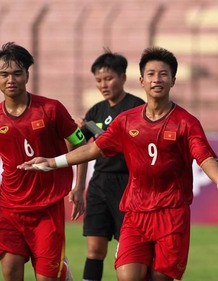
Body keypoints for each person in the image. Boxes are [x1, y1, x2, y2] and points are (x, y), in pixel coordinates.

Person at [18, 46, 218, 281]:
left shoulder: (186, 122)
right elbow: (94, 149)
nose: (157, 79)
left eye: (164, 74)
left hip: (171, 214)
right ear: (142, 80)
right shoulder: (126, 121)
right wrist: (54, 162)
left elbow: (204, 155)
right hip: (135, 213)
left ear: (173, 80)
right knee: (127, 275)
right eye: (152, 74)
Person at [0, 42, 88, 281]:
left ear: (27, 75)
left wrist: (78, 187)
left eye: (16, 73)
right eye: (4, 74)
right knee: (11, 274)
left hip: (47, 209)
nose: (10, 79)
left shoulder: (51, 110)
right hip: (9, 210)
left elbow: (80, 144)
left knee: (47, 278)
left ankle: (61, 271)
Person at [76, 50, 144, 281]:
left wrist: (94, 129)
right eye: (98, 80)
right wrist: (77, 187)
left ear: (123, 78)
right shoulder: (95, 111)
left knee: (129, 252)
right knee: (95, 250)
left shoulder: (137, 108)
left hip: (129, 185)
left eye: (108, 78)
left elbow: (126, 144)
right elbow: (79, 145)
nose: (103, 84)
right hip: (99, 184)